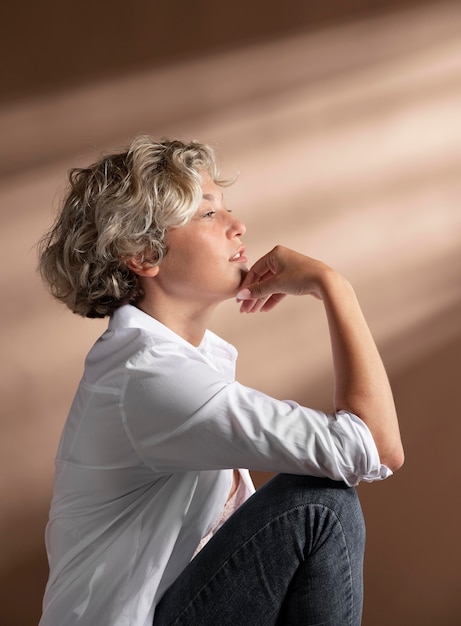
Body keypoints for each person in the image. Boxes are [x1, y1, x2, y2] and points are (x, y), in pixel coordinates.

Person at [37, 135, 404, 626]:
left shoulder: (188, 362)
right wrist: (333, 285)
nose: (238, 226)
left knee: (314, 500)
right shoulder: (149, 378)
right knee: (316, 504)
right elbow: (375, 446)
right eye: (208, 214)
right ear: (144, 253)